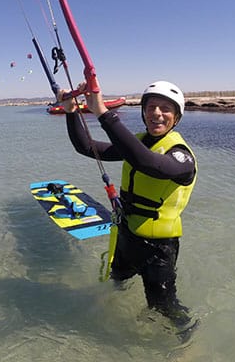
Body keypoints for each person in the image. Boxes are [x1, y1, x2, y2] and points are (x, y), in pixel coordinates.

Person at [58, 79, 198, 337]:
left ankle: (187, 346)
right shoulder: (139, 142)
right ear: (144, 113)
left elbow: (149, 164)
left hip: (158, 250)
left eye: (166, 109)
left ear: (176, 118)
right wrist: (72, 111)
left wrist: (102, 112)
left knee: (164, 308)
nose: (157, 113)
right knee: (117, 279)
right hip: (127, 237)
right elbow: (86, 147)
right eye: (151, 107)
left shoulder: (182, 156)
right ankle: (108, 309)